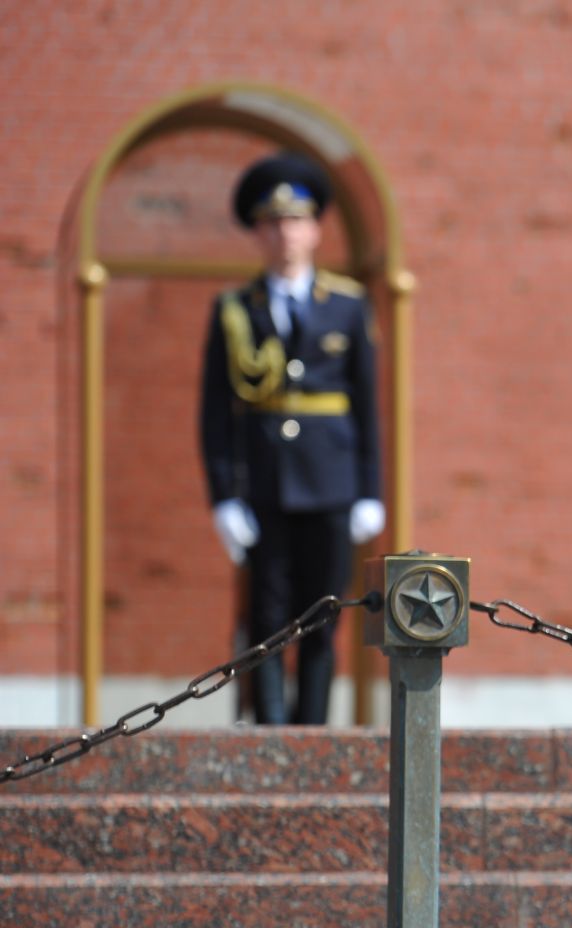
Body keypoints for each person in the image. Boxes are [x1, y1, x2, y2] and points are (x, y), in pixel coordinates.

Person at [198, 152, 385, 725]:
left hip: (331, 483)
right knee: (267, 619)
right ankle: (271, 742)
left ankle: (313, 739)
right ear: (259, 231)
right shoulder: (234, 310)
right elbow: (215, 414)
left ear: (315, 229)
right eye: (274, 222)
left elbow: (368, 407)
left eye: (296, 221)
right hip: (265, 484)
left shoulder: (348, 307)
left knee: (324, 617)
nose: (286, 234)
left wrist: (368, 491)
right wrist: (224, 497)